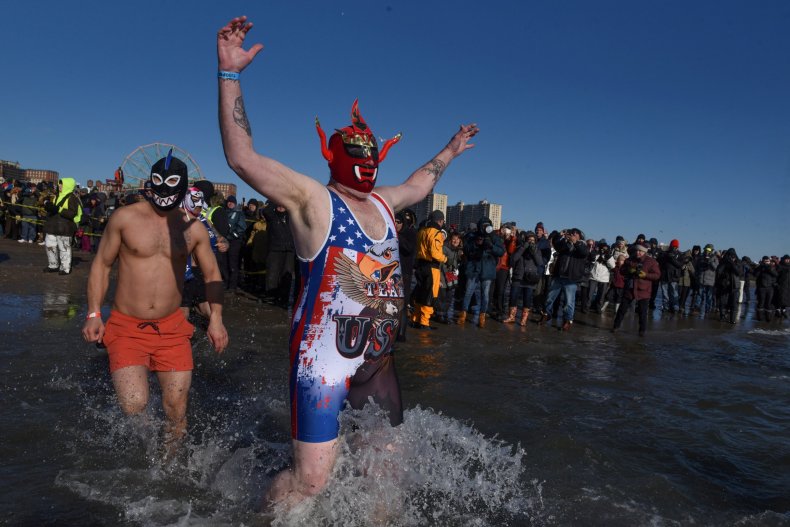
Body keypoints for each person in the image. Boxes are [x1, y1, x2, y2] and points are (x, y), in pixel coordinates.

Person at [216, 15, 479, 508]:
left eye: (370, 149)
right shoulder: (313, 200)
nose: (365, 156)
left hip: (378, 360)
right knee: (310, 483)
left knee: (387, 480)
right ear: (330, 153)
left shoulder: (383, 201)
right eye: (354, 148)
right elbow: (242, 158)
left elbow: (422, 182)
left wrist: (450, 149)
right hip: (323, 361)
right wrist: (229, 74)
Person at [81, 152, 229, 452]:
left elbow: (213, 274)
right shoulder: (125, 218)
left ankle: (167, 463)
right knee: (135, 405)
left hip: (172, 328)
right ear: (150, 184)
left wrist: (216, 319)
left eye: (172, 184)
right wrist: (94, 313)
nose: (164, 190)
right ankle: (145, 452)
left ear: (183, 187)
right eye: (158, 183)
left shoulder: (194, 229)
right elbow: (101, 265)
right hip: (126, 326)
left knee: (176, 406)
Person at [457, 216, 504, 328]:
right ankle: (463, 314)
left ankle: (482, 317)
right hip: (474, 268)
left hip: (487, 269)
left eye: (487, 225)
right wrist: (476, 244)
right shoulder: (473, 235)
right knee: (468, 291)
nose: (485, 228)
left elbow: (501, 251)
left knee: (485, 295)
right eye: (483, 225)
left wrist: (491, 247)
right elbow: (466, 249)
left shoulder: (494, 237)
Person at [539, 228, 588, 331]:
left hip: (571, 279)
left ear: (579, 236)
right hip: (559, 276)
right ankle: (546, 314)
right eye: (571, 234)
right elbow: (556, 245)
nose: (572, 235)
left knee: (569, 302)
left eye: (575, 234)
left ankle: (567, 320)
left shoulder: (583, 245)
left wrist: (575, 242)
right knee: (549, 298)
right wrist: (560, 235)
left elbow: (583, 253)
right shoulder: (565, 244)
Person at [612, 244, 660, 336]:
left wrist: (645, 275)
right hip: (630, 288)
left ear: (645, 252)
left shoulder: (651, 261)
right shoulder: (630, 259)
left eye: (640, 251)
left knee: (642, 313)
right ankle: (615, 327)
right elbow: (622, 270)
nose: (638, 252)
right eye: (637, 250)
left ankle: (642, 332)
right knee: (622, 310)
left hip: (643, 290)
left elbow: (657, 275)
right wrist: (628, 270)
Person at [411, 210, 447, 330]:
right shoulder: (437, 233)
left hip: (420, 266)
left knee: (420, 293)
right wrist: (445, 258)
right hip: (432, 267)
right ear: (440, 221)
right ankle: (424, 323)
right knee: (430, 295)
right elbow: (435, 253)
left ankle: (415, 319)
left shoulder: (421, 231)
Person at [43, 178, 82, 275]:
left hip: (65, 227)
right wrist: (49, 206)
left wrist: (58, 209)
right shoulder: (57, 196)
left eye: (62, 184)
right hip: (53, 226)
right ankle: (53, 265)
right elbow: (55, 210)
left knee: (64, 248)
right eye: (59, 184)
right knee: (49, 246)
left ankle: (65, 268)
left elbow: (72, 213)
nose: (59, 186)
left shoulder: (72, 198)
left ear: (67, 186)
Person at [503, 230, 543, 325]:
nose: (531, 242)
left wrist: (533, 252)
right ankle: (512, 317)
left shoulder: (537, 250)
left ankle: (523, 320)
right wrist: (523, 248)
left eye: (533, 241)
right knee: (513, 297)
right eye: (529, 240)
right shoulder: (520, 248)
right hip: (518, 276)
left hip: (530, 278)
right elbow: (513, 259)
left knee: (527, 299)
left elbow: (539, 263)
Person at [223, 195, 247, 291]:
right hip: (224, 240)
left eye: (232, 202)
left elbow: (242, 227)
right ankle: (225, 282)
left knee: (233, 263)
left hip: (234, 242)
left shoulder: (239, 213)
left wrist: (233, 235)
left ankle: (232, 286)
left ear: (235, 203)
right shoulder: (223, 212)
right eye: (228, 202)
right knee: (224, 263)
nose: (230, 203)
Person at [753, 255, 778, 322]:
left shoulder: (772, 267)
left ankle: (768, 317)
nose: (766, 262)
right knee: (761, 302)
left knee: (768, 303)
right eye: (765, 261)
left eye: (767, 261)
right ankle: (759, 317)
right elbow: (755, 275)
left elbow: (775, 274)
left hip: (770, 287)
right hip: (761, 287)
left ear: (769, 261)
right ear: (763, 261)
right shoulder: (760, 267)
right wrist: (760, 267)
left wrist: (769, 267)